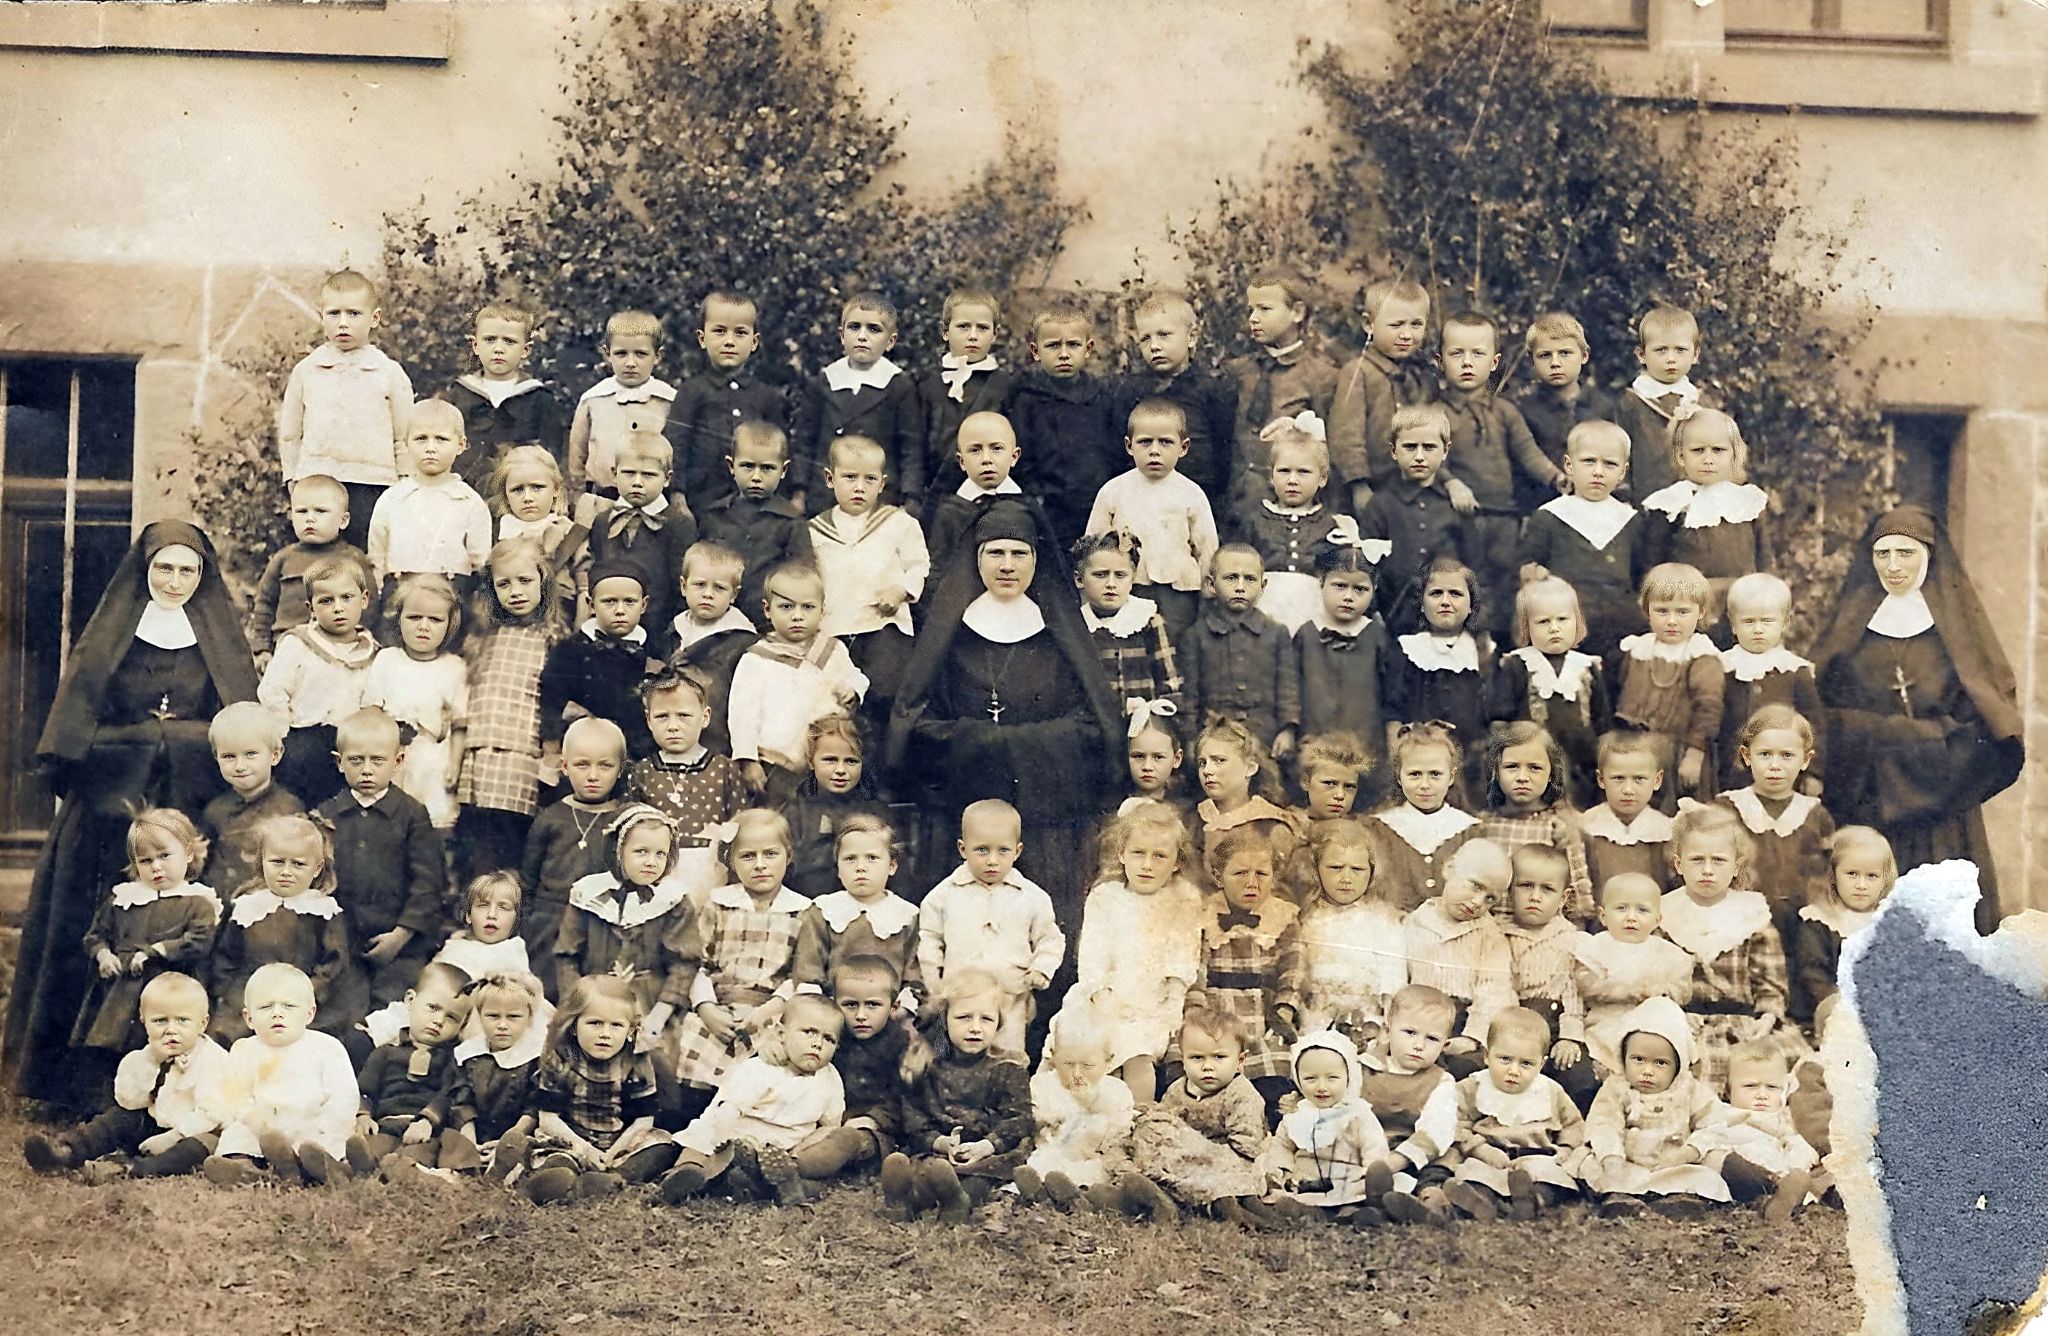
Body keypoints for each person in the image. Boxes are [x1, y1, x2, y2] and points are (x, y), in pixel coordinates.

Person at [6, 521, 258, 1105]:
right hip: (107, 811)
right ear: (143, 572)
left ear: (204, 576)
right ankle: (71, 1081)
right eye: (163, 569)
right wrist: (146, 740)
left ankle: (183, 1084)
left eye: (188, 570)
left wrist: (174, 741)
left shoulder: (216, 636)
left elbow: (235, 722)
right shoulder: (111, 634)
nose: (175, 581)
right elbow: (77, 727)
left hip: (187, 810)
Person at [887, 498, 1122, 971]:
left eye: (1020, 554)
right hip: (964, 817)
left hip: (1044, 819)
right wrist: (983, 742)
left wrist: (1009, 745)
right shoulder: (950, 634)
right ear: (977, 560)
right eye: (996, 553)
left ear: (1037, 560)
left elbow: (1089, 726)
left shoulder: (1059, 634)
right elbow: (918, 722)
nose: (1008, 566)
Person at [1811, 504, 2023, 933]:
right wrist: (1879, 735)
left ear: (1928, 557)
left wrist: (1921, 747)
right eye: (1882, 553)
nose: (1893, 566)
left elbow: (1985, 720)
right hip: (1867, 803)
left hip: (1939, 808)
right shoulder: (1851, 632)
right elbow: (1821, 711)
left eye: (1905, 553)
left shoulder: (1958, 636)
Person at [24, 972, 228, 1183]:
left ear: (202, 1024)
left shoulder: (213, 1059)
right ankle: (67, 1150)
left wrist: (173, 1137)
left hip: (196, 1130)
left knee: (196, 1148)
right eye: (160, 1021)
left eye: (182, 1021)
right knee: (120, 1118)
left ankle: (128, 1169)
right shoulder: (148, 1055)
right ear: (144, 1022)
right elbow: (128, 1100)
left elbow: (213, 1113)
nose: (171, 1030)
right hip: (155, 1122)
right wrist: (153, 1061)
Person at [1068, 801, 1206, 1103]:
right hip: (1103, 1001)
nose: (1147, 865)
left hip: (1153, 1007)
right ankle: (1098, 1122)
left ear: (1177, 862)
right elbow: (1093, 959)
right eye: (1138, 854)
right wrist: (1105, 1004)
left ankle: (1140, 1119)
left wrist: (1171, 1009)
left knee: (1136, 1055)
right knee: (1096, 1053)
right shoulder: (1106, 897)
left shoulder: (1184, 899)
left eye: (1159, 856)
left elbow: (1182, 961)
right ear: (1121, 854)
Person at [659, 993, 847, 1206]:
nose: (818, 1044)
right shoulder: (762, 1068)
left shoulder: (830, 1079)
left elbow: (830, 1126)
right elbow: (729, 1110)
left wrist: (801, 1150)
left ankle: (741, 1185)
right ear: (781, 1033)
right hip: (731, 1137)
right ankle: (685, 1174)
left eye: (829, 1039)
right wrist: (720, 1139)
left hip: (775, 1155)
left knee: (769, 1173)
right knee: (701, 1143)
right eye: (809, 1032)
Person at [880, 968, 1035, 1224]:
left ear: (998, 1023)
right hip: (943, 1150)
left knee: (980, 1179)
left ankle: (956, 1200)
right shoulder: (930, 1065)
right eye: (964, 1017)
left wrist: (987, 1146)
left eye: (986, 1019)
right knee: (928, 1169)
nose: (975, 1028)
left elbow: (1020, 1119)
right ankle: (904, 1200)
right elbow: (914, 1118)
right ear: (944, 1019)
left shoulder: (1007, 1067)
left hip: (988, 1153)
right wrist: (940, 1142)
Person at [914, 799, 1065, 1054]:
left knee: (1008, 1055)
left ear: (1017, 851)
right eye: (982, 850)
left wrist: (1042, 968)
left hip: (1010, 997)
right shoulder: (943, 895)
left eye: (1003, 851)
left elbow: (1050, 938)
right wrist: (935, 984)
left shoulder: (1032, 897)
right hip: (958, 998)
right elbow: (929, 940)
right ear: (963, 849)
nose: (992, 861)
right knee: (956, 1056)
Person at [277, 269, 413, 550]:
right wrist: (293, 477)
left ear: (374, 318)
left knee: (366, 556)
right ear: (321, 315)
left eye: (353, 314)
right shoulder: (307, 371)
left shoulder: (388, 372)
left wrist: (405, 482)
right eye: (334, 313)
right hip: (318, 481)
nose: (343, 323)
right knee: (318, 557)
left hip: (373, 484)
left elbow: (405, 434)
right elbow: (291, 433)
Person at [519, 974, 680, 1204]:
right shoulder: (563, 1057)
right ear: (574, 1025)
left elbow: (644, 1120)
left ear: (630, 1030)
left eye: (616, 1025)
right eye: (595, 1023)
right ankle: (559, 1178)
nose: (605, 1033)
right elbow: (548, 1119)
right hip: (571, 1139)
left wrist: (614, 1152)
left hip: (617, 1141)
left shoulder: (634, 1060)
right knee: (557, 1156)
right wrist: (585, 1150)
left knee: (661, 1146)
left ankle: (615, 1177)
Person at [72, 810, 220, 1060]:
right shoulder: (123, 899)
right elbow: (96, 935)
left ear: (188, 854)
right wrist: (104, 955)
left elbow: (199, 941)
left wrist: (156, 951)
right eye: (145, 861)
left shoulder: (197, 901)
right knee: (112, 1043)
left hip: (170, 985)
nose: (156, 867)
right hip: (120, 989)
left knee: (163, 1042)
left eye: (164, 856)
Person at [203, 962, 361, 1188]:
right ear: (249, 1018)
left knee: (317, 1144)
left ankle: (325, 1168)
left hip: (312, 1124)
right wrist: (253, 1119)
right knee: (238, 1134)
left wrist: (329, 1124)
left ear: (309, 1014)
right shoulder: (244, 1049)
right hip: (265, 1129)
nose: (277, 1013)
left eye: (288, 1006)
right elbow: (236, 1095)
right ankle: (246, 1169)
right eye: (266, 1007)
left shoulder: (326, 1047)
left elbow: (344, 1096)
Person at [808, 435, 928, 717]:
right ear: (830, 478)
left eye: (870, 479)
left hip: (882, 627)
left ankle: (884, 759)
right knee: (837, 701)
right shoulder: (815, 530)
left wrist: (901, 590)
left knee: (884, 695)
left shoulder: (898, 522)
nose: (859, 487)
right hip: (835, 628)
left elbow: (919, 564)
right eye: (850, 477)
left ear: (882, 484)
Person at [1083, 398, 1219, 642]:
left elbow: (1207, 547)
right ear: (1129, 445)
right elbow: (1093, 544)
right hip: (1129, 587)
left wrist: (1208, 594)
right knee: (1132, 641)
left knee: (1176, 643)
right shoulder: (1113, 491)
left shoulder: (1191, 493)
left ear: (1183, 447)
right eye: (1145, 442)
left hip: (1179, 592)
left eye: (1165, 442)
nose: (1154, 450)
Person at [1517, 420, 1650, 665]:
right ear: (1569, 465)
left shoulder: (1631, 521)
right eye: (1589, 461)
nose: (1598, 472)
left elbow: (1641, 577)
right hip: (1567, 626)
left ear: (1622, 472)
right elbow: (1528, 568)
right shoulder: (1549, 517)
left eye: (1610, 464)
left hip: (1621, 624)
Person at [256, 550, 378, 806]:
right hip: (302, 739)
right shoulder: (298, 643)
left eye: (347, 598)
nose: (338, 608)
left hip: (350, 744)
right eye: (326, 601)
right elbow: (272, 691)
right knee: (298, 801)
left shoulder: (372, 652)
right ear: (310, 608)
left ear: (364, 600)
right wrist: (283, 734)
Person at [1225, 267, 1338, 535]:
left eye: (1265, 309)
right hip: (1236, 503)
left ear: (1297, 313)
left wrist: (1303, 430)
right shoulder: (1237, 372)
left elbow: (1334, 447)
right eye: (1251, 310)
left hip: (1290, 509)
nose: (1254, 318)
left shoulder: (1322, 376)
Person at [1640, 406, 1774, 633]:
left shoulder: (1748, 502)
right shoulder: (1671, 504)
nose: (1708, 459)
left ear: (1734, 455)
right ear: (1681, 456)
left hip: (1741, 605)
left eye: (1718, 450)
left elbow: (1764, 560)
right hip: (1687, 608)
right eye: (1698, 450)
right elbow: (1652, 565)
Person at [1447, 1007, 1588, 1221]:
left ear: (1541, 1064)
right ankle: (1480, 1202)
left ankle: (1533, 1200)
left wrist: (1566, 1148)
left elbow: (1573, 1123)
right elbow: (1456, 1122)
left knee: (1550, 1178)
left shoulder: (1550, 1090)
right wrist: (1479, 1148)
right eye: (1504, 1059)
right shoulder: (1474, 1086)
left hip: (1537, 1154)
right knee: (1477, 1175)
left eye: (1526, 1064)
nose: (1514, 1070)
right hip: (1490, 1155)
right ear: (1486, 1055)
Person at [345, 961, 482, 1180]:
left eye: (452, 1018)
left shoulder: (450, 1060)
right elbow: (365, 1090)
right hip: (386, 1126)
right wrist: (363, 1115)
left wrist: (427, 1121)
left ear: (461, 1026)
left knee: (418, 1152)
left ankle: (408, 1173)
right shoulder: (385, 1053)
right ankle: (343, 1169)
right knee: (371, 1147)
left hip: (424, 1131)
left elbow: (447, 1094)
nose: (439, 1021)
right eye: (433, 1008)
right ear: (410, 1000)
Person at [791, 291, 923, 511]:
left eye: (874, 329)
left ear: (890, 341)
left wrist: (910, 499)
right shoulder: (825, 381)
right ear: (842, 335)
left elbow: (910, 449)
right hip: (825, 494)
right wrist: (799, 491)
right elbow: (805, 441)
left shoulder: (898, 385)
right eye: (854, 327)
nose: (863, 336)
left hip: (877, 497)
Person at [1005, 301, 1118, 548]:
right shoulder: (1027, 398)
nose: (1064, 354)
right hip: (1049, 509)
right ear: (1036, 351)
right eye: (1053, 345)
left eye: (1073, 345)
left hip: (1094, 504)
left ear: (1088, 349)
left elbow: (1114, 452)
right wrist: (1034, 495)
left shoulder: (1102, 396)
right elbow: (1020, 457)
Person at [361, 573, 468, 830]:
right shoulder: (387, 660)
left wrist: (454, 764)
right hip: (392, 759)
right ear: (398, 619)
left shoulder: (455, 667)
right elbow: (370, 714)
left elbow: (460, 726)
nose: (424, 626)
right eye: (414, 617)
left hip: (434, 761)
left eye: (435, 619)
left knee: (433, 826)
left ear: (449, 624)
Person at [666, 290, 786, 514]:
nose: (729, 341)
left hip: (755, 504)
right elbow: (676, 445)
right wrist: (677, 495)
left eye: (740, 333)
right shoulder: (692, 391)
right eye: (719, 331)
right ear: (702, 338)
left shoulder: (765, 396)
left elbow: (780, 449)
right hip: (701, 502)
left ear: (754, 342)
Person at [366, 398, 494, 600]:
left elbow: (480, 561)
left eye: (441, 439)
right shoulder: (392, 498)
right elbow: (377, 556)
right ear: (406, 442)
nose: (431, 448)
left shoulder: (469, 501)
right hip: (400, 594)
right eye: (421, 438)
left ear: (460, 445)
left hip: (452, 595)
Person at [1113, 291, 1236, 498]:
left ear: (1191, 337)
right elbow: (1119, 453)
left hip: (1198, 496)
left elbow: (1224, 453)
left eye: (1164, 335)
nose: (1154, 346)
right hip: (1143, 495)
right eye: (1145, 339)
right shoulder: (1130, 391)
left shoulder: (1213, 389)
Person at [1717, 572, 1827, 795]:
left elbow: (1815, 724)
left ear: (1785, 622)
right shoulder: (1723, 666)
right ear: (1733, 625)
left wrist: (1814, 773)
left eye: (1767, 621)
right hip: (1732, 774)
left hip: (1782, 774)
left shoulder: (1795, 671)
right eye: (1748, 621)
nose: (1758, 629)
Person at [1327, 278, 1434, 500]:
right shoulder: (1358, 372)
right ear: (1369, 325)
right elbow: (1346, 436)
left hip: (1410, 488)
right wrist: (1359, 486)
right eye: (1396, 325)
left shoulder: (1417, 376)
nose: (1407, 335)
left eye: (1416, 324)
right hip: (1372, 487)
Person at [440, 300, 565, 489]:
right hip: (466, 489)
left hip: (523, 492)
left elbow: (552, 453)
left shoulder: (538, 397)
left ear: (526, 349)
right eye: (490, 339)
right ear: (475, 345)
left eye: (509, 341)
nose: (499, 349)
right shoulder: (459, 394)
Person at [568, 309, 677, 519]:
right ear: (607, 353)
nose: (630, 363)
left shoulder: (667, 401)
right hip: (601, 500)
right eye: (621, 354)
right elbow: (577, 453)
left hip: (652, 503)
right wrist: (577, 497)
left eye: (641, 354)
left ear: (658, 356)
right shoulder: (593, 399)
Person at [917, 285, 1016, 508]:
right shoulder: (927, 384)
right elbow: (916, 445)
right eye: (963, 327)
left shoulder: (1004, 386)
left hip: (990, 494)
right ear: (945, 331)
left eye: (982, 328)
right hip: (936, 495)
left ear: (995, 334)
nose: (973, 336)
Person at [1509, 311, 1618, 514]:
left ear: (1584, 356)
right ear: (1532, 361)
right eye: (1545, 355)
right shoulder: (1524, 411)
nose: (1555, 363)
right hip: (1543, 508)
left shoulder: (1603, 407)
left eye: (1565, 353)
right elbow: (1522, 467)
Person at [249, 474, 370, 657]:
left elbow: (368, 606)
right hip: (290, 645)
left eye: (320, 511)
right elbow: (265, 604)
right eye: (302, 511)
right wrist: (262, 649)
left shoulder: (353, 558)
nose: (310, 519)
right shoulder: (284, 559)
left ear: (343, 521)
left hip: (340, 646)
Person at [1794, 826, 1895, 1035]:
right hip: (1838, 1012)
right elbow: (1814, 976)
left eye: (1872, 876)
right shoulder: (1820, 921)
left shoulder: (1890, 920)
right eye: (1852, 874)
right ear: (1832, 876)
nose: (1861, 885)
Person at [1613, 305, 1717, 503]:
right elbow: (1618, 455)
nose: (1671, 359)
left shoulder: (1699, 401)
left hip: (1694, 505)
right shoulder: (1631, 402)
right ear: (1642, 355)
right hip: (1647, 504)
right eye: (1661, 350)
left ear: (1695, 355)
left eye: (1680, 350)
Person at [200, 701, 303, 895]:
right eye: (229, 757)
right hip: (221, 902)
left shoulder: (288, 808)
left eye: (251, 754)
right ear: (216, 757)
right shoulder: (216, 810)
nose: (240, 766)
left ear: (275, 755)